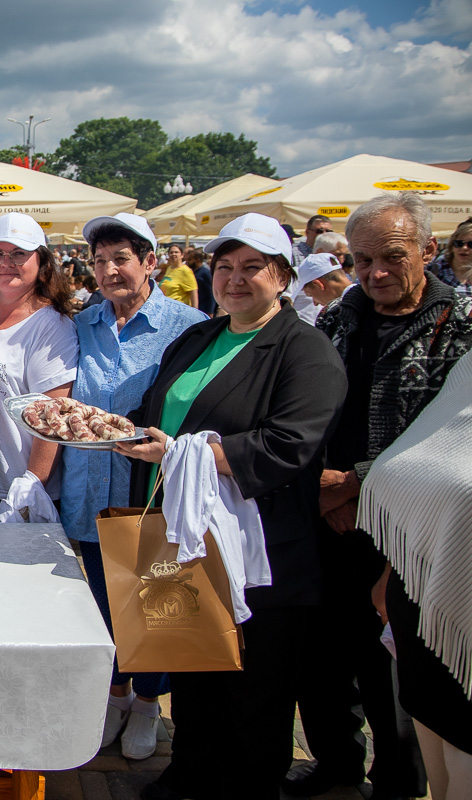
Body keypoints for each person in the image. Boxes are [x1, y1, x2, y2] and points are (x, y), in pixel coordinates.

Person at [119, 212, 346, 800]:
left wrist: (184, 454)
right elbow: (163, 412)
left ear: (284, 276)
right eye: (225, 268)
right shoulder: (199, 337)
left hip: (256, 551)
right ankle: (189, 773)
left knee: (256, 689)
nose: (235, 280)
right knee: (193, 669)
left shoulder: (304, 350)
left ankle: (246, 787)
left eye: (253, 268)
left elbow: (289, 445)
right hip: (179, 533)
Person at [294, 193, 472, 800]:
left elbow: (450, 434)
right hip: (325, 512)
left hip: (409, 529)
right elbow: (308, 406)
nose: (375, 272)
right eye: (362, 259)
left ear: (428, 250)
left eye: (392, 257)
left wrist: (355, 483)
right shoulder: (340, 315)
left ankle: (399, 779)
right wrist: (322, 485)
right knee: (320, 656)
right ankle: (335, 765)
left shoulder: (463, 327)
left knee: (395, 665)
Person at [59, 213, 207, 762]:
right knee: (105, 603)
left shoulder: (189, 325)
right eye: (99, 261)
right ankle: (116, 695)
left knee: (157, 603)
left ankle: (148, 703)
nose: (108, 271)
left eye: (121, 258)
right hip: (89, 491)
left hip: (152, 492)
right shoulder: (84, 323)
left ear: (150, 262)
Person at [357, 349, 472, 800]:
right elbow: (411, 463)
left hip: (459, 603)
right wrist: (392, 569)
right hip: (421, 584)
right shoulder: (468, 366)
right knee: (432, 719)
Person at [0, 213, 77, 522]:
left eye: (19, 253)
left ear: (42, 262)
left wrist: (32, 486)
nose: (7, 262)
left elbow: (53, 414)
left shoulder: (51, 326)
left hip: (18, 492)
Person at [432, 217, 472, 295]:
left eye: (471, 244)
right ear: (452, 246)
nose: (464, 248)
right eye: (459, 243)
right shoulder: (434, 270)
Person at [185, 247, 214, 315]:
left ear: (197, 260)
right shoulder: (193, 272)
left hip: (204, 310)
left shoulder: (205, 273)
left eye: (190, 260)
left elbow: (211, 293)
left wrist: (210, 312)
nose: (187, 262)